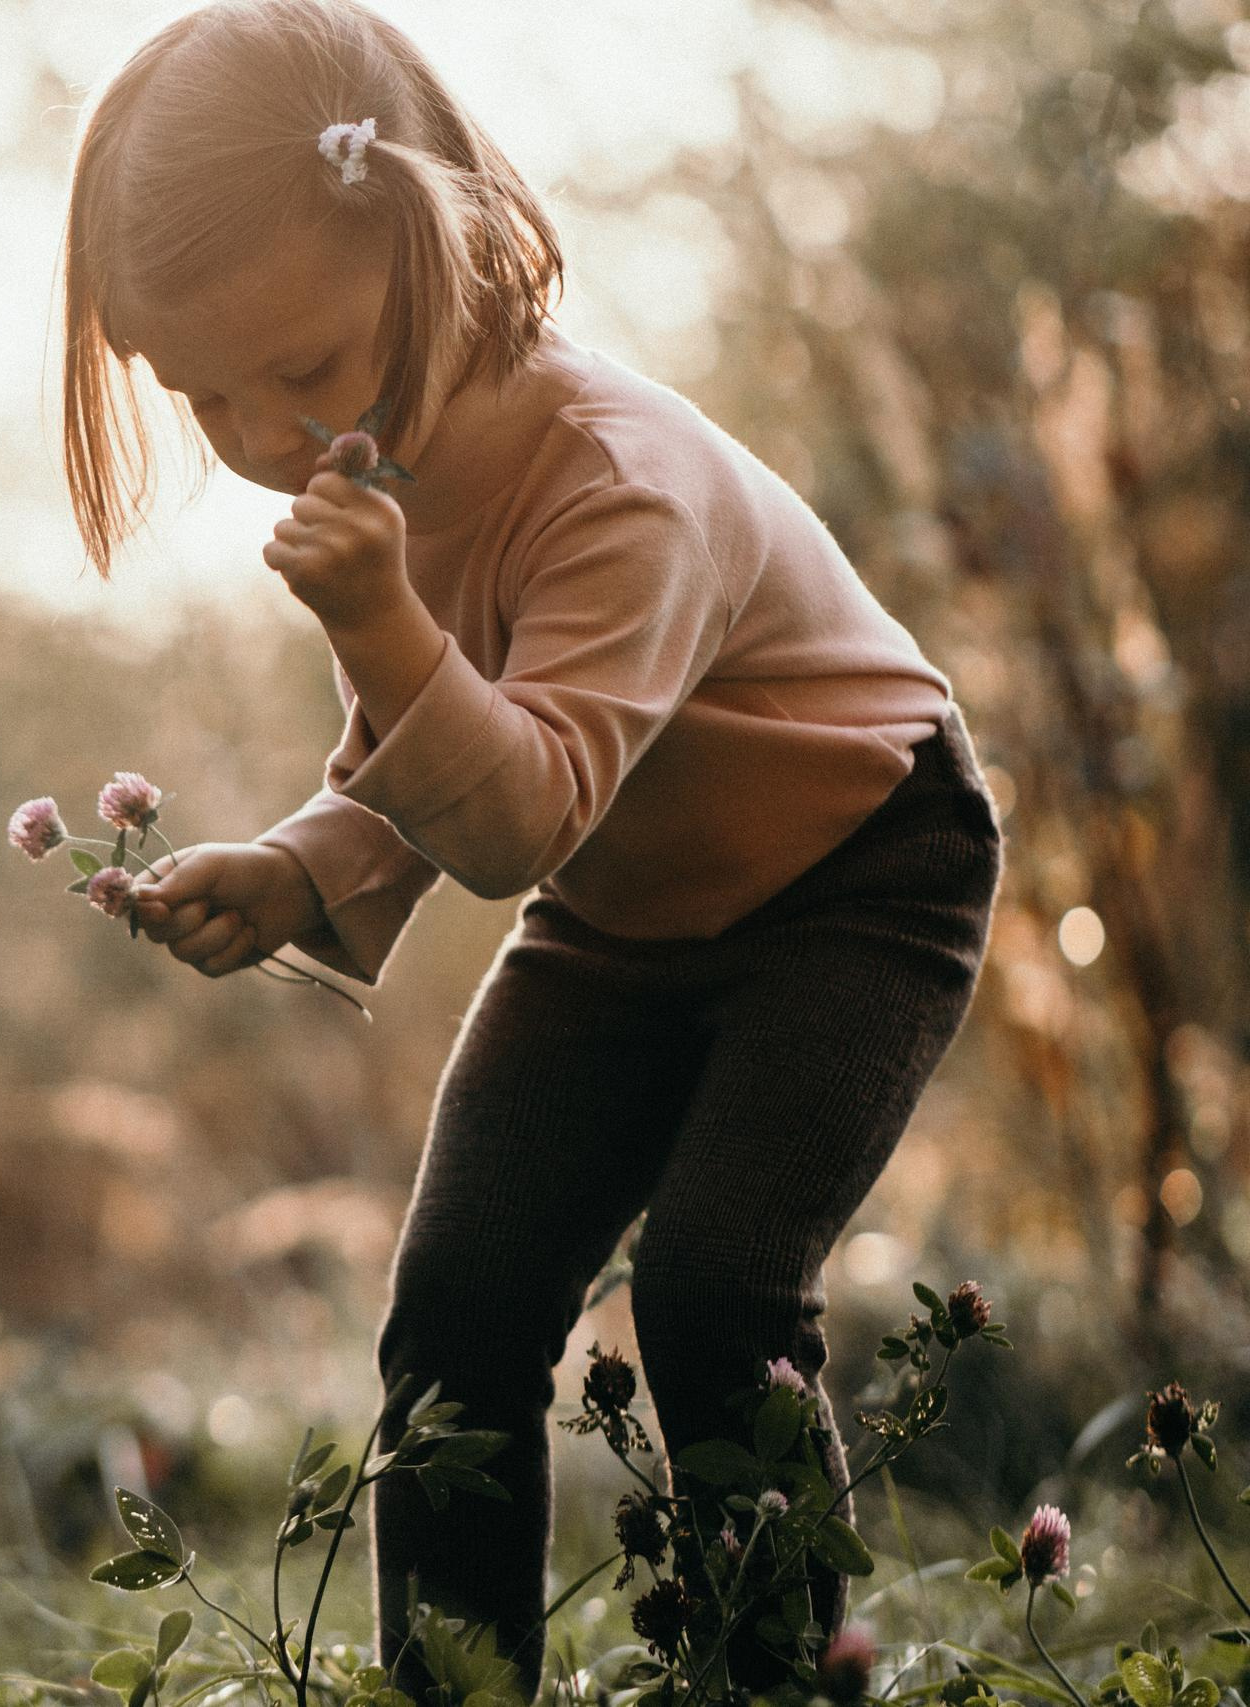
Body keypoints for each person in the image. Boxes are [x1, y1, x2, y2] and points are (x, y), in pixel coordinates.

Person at [51, 0, 1006, 1697]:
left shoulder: (617, 481)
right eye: (207, 398)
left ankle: (775, 1676)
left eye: (308, 368)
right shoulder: (384, 468)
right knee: (458, 1305)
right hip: (623, 916)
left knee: (717, 1290)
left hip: (855, 877)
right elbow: (424, 767)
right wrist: (295, 865)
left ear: (437, 244)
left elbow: (519, 811)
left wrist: (377, 626)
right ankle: (457, 1685)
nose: (270, 436)